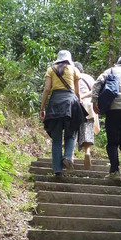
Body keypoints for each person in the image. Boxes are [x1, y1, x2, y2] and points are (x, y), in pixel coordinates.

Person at [92, 53, 121, 179]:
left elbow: (97, 83)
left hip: (113, 109)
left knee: (112, 142)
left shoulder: (111, 70)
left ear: (118, 61)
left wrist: (95, 100)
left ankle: (115, 171)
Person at [39, 49, 83, 179]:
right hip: (70, 103)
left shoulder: (51, 69)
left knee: (57, 139)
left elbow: (47, 89)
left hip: (55, 104)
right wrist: (79, 105)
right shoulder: (74, 70)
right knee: (71, 134)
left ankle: (58, 170)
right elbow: (77, 92)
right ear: (69, 59)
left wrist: (42, 108)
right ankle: (68, 157)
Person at [73, 60, 99, 169]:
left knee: (73, 130)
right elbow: (94, 90)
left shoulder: (72, 76)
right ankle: (87, 153)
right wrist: (84, 96)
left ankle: (71, 155)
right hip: (88, 107)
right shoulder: (88, 77)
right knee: (87, 130)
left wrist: (80, 97)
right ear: (82, 69)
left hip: (75, 105)